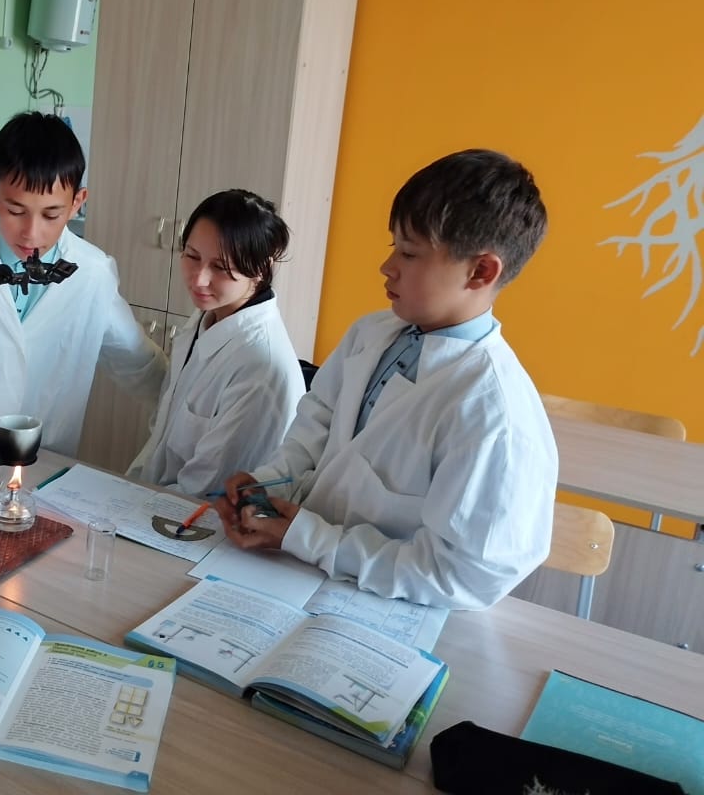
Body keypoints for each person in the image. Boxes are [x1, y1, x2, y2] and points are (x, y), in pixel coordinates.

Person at [213, 149, 556, 611]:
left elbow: (461, 578)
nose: (387, 266)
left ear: (481, 271)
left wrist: (309, 538)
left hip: (392, 610)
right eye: (394, 246)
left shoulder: (493, 411)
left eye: (409, 253)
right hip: (296, 575)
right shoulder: (371, 334)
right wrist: (266, 489)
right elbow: (315, 429)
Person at [0, 111, 167, 472]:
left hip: (40, 464)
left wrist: (190, 421)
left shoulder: (92, 273)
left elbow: (139, 364)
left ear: (77, 202)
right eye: (16, 211)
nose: (31, 233)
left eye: (51, 215)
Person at [126, 189, 305, 497]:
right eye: (192, 257)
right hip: (156, 498)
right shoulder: (209, 316)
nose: (199, 279)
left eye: (220, 267)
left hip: (195, 515)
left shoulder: (260, 368)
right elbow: (162, 439)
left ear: (261, 269)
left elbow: (207, 492)